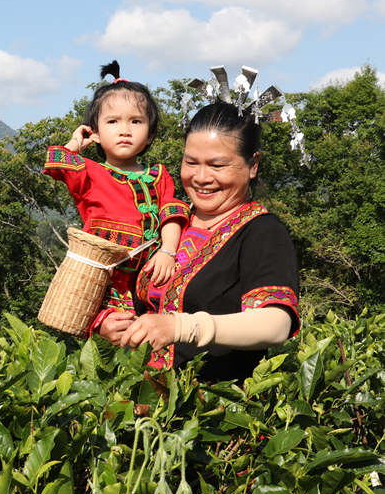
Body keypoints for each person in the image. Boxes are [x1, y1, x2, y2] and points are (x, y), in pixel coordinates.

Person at [101, 101, 301, 380]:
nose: (202, 178)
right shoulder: (171, 223)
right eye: (191, 162)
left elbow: (275, 324)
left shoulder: (262, 231)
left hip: (213, 411)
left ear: (252, 165)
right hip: (144, 408)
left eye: (217, 165)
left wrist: (182, 327)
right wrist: (113, 325)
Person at [43, 60, 189, 335]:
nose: (125, 129)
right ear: (95, 132)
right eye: (112, 122)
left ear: (150, 135)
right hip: (103, 286)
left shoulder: (159, 175)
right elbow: (56, 163)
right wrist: (76, 142)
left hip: (155, 277)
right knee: (115, 349)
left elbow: (172, 213)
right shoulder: (89, 172)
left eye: (136, 121)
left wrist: (168, 251)